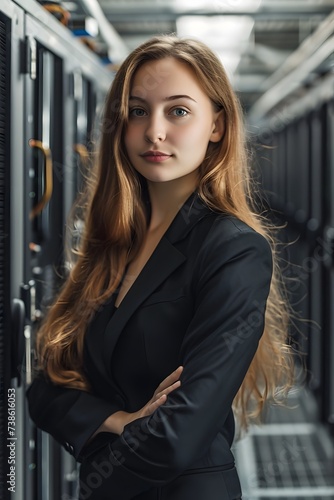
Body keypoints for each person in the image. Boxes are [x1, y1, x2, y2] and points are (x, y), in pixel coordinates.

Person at [27, 35, 294, 500]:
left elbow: (176, 439)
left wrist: (94, 450)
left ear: (217, 125)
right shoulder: (113, 242)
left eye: (178, 111)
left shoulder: (233, 249)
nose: (154, 131)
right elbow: (43, 391)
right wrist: (117, 421)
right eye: (137, 111)